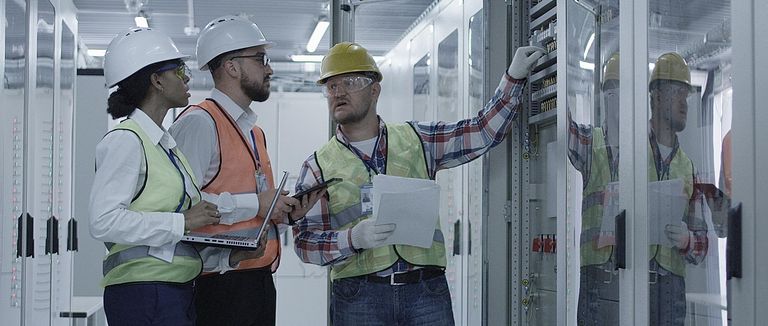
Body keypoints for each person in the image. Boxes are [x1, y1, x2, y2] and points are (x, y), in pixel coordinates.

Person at [292, 42, 544, 325]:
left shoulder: (417, 140)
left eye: (349, 82)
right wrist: (352, 239)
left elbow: (481, 132)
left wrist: (513, 78)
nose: (338, 92)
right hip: (359, 298)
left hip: (425, 291)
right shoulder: (318, 166)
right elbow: (304, 242)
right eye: (331, 86)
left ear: (374, 89)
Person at [169, 16, 321, 326]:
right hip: (217, 284)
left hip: (257, 279)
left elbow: (252, 199)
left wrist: (282, 211)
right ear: (232, 67)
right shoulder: (199, 123)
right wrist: (256, 204)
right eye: (260, 59)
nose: (269, 68)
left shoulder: (255, 132)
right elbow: (181, 206)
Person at [89, 27, 222, 325]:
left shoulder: (163, 145)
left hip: (173, 290)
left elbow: (172, 235)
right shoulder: (126, 141)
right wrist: (184, 220)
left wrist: (227, 256)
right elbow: (103, 221)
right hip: (144, 294)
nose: (187, 78)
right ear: (157, 80)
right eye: (179, 70)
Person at [569, 52, 709, 325]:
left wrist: (687, 240)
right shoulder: (623, 148)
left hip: (668, 292)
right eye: (676, 92)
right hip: (619, 278)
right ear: (655, 96)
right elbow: (571, 135)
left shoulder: (688, 167)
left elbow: (702, 246)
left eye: (686, 95)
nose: (684, 102)